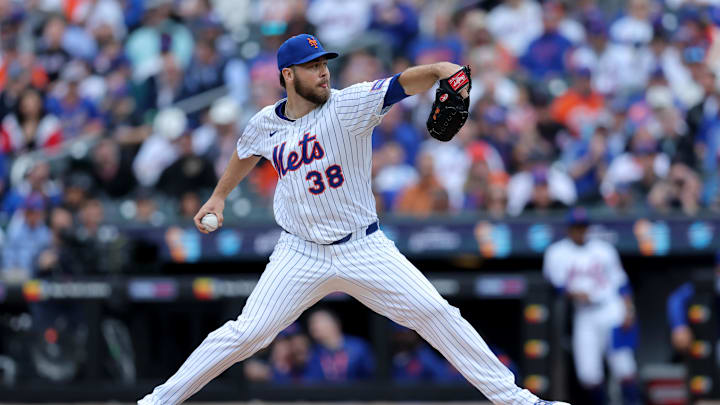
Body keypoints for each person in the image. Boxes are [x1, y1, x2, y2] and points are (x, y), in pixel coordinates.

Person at [138, 34, 570, 405]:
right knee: (246, 335)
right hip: (299, 253)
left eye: (325, 62)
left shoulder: (349, 106)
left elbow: (402, 84)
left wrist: (441, 68)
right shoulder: (264, 123)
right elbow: (245, 152)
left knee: (437, 312)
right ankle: (158, 401)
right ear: (288, 75)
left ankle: (518, 400)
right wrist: (218, 196)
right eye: (312, 66)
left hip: (362, 248)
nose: (323, 72)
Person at [543, 208, 640, 405]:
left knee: (625, 368)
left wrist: (628, 309)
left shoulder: (603, 249)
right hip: (584, 313)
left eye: (583, 226)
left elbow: (621, 283)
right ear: (569, 229)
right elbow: (556, 286)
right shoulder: (557, 252)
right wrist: (573, 292)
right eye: (576, 227)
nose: (580, 231)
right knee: (588, 374)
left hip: (612, 310)